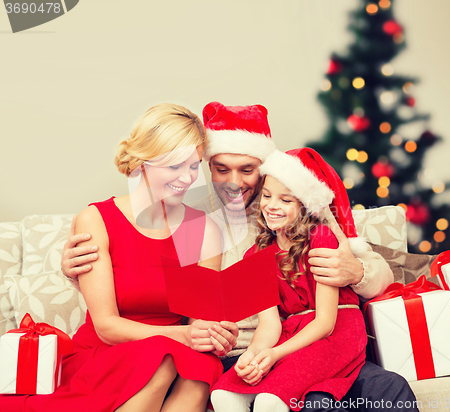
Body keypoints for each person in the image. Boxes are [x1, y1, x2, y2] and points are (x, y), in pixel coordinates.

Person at [61, 102, 419, 412]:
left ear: (265, 170)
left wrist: (356, 271)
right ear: (208, 166)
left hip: (315, 344)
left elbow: (380, 276)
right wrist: (81, 275)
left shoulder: (299, 211)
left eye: (247, 170)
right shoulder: (192, 221)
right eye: (221, 169)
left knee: (388, 391)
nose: (234, 181)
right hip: (243, 354)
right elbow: (166, 296)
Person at [1, 103, 236, 412]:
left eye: (193, 166)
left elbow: (197, 320)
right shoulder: (98, 218)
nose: (187, 178)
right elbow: (107, 327)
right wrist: (183, 335)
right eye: (174, 166)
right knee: (164, 357)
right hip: (111, 351)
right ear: (143, 162)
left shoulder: (199, 229)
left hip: (177, 349)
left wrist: (214, 333)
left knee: (200, 368)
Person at [211, 147, 367, 412]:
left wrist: (274, 355)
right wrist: (253, 356)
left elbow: (325, 323)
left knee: (270, 400)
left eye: (286, 200)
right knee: (224, 395)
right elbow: (269, 325)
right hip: (290, 334)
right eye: (267, 196)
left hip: (335, 334)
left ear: (304, 206)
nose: (272, 206)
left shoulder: (322, 238)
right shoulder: (255, 254)